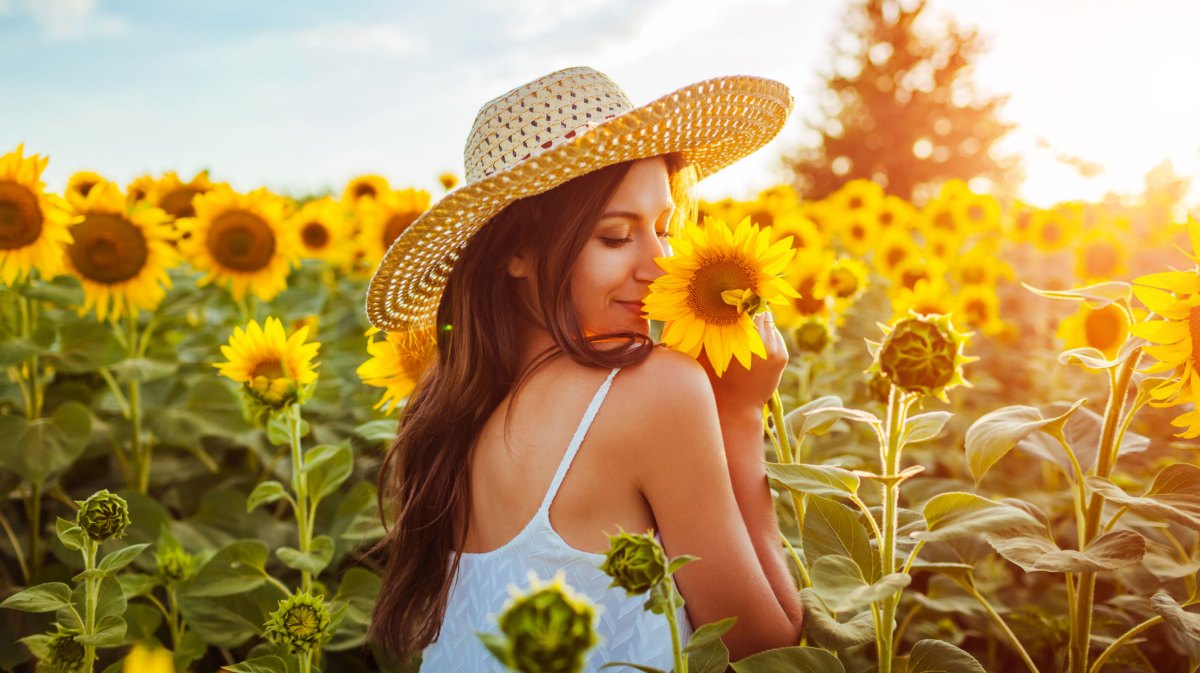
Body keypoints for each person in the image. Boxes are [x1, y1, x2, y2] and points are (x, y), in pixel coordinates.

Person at [363, 66, 805, 672]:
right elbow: (766, 649)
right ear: (517, 251)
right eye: (617, 237)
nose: (661, 266)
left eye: (664, 229)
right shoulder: (655, 391)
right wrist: (741, 411)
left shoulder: (457, 405)